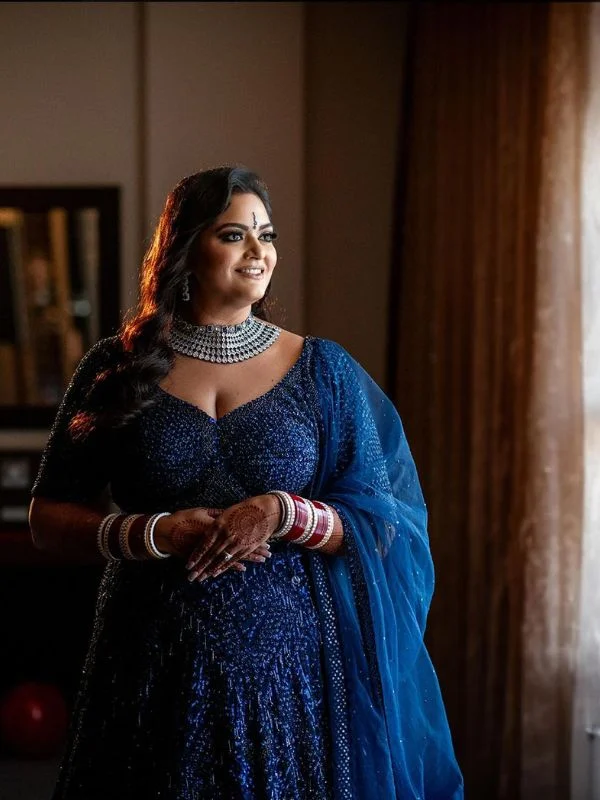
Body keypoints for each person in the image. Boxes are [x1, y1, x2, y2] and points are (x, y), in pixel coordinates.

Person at [29, 165, 464, 799]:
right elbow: (46, 517)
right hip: (150, 665)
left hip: (293, 677)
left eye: (267, 233)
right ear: (186, 247)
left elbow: (386, 526)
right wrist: (151, 532)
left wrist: (284, 512)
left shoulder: (324, 370)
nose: (259, 251)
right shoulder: (118, 366)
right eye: (235, 234)